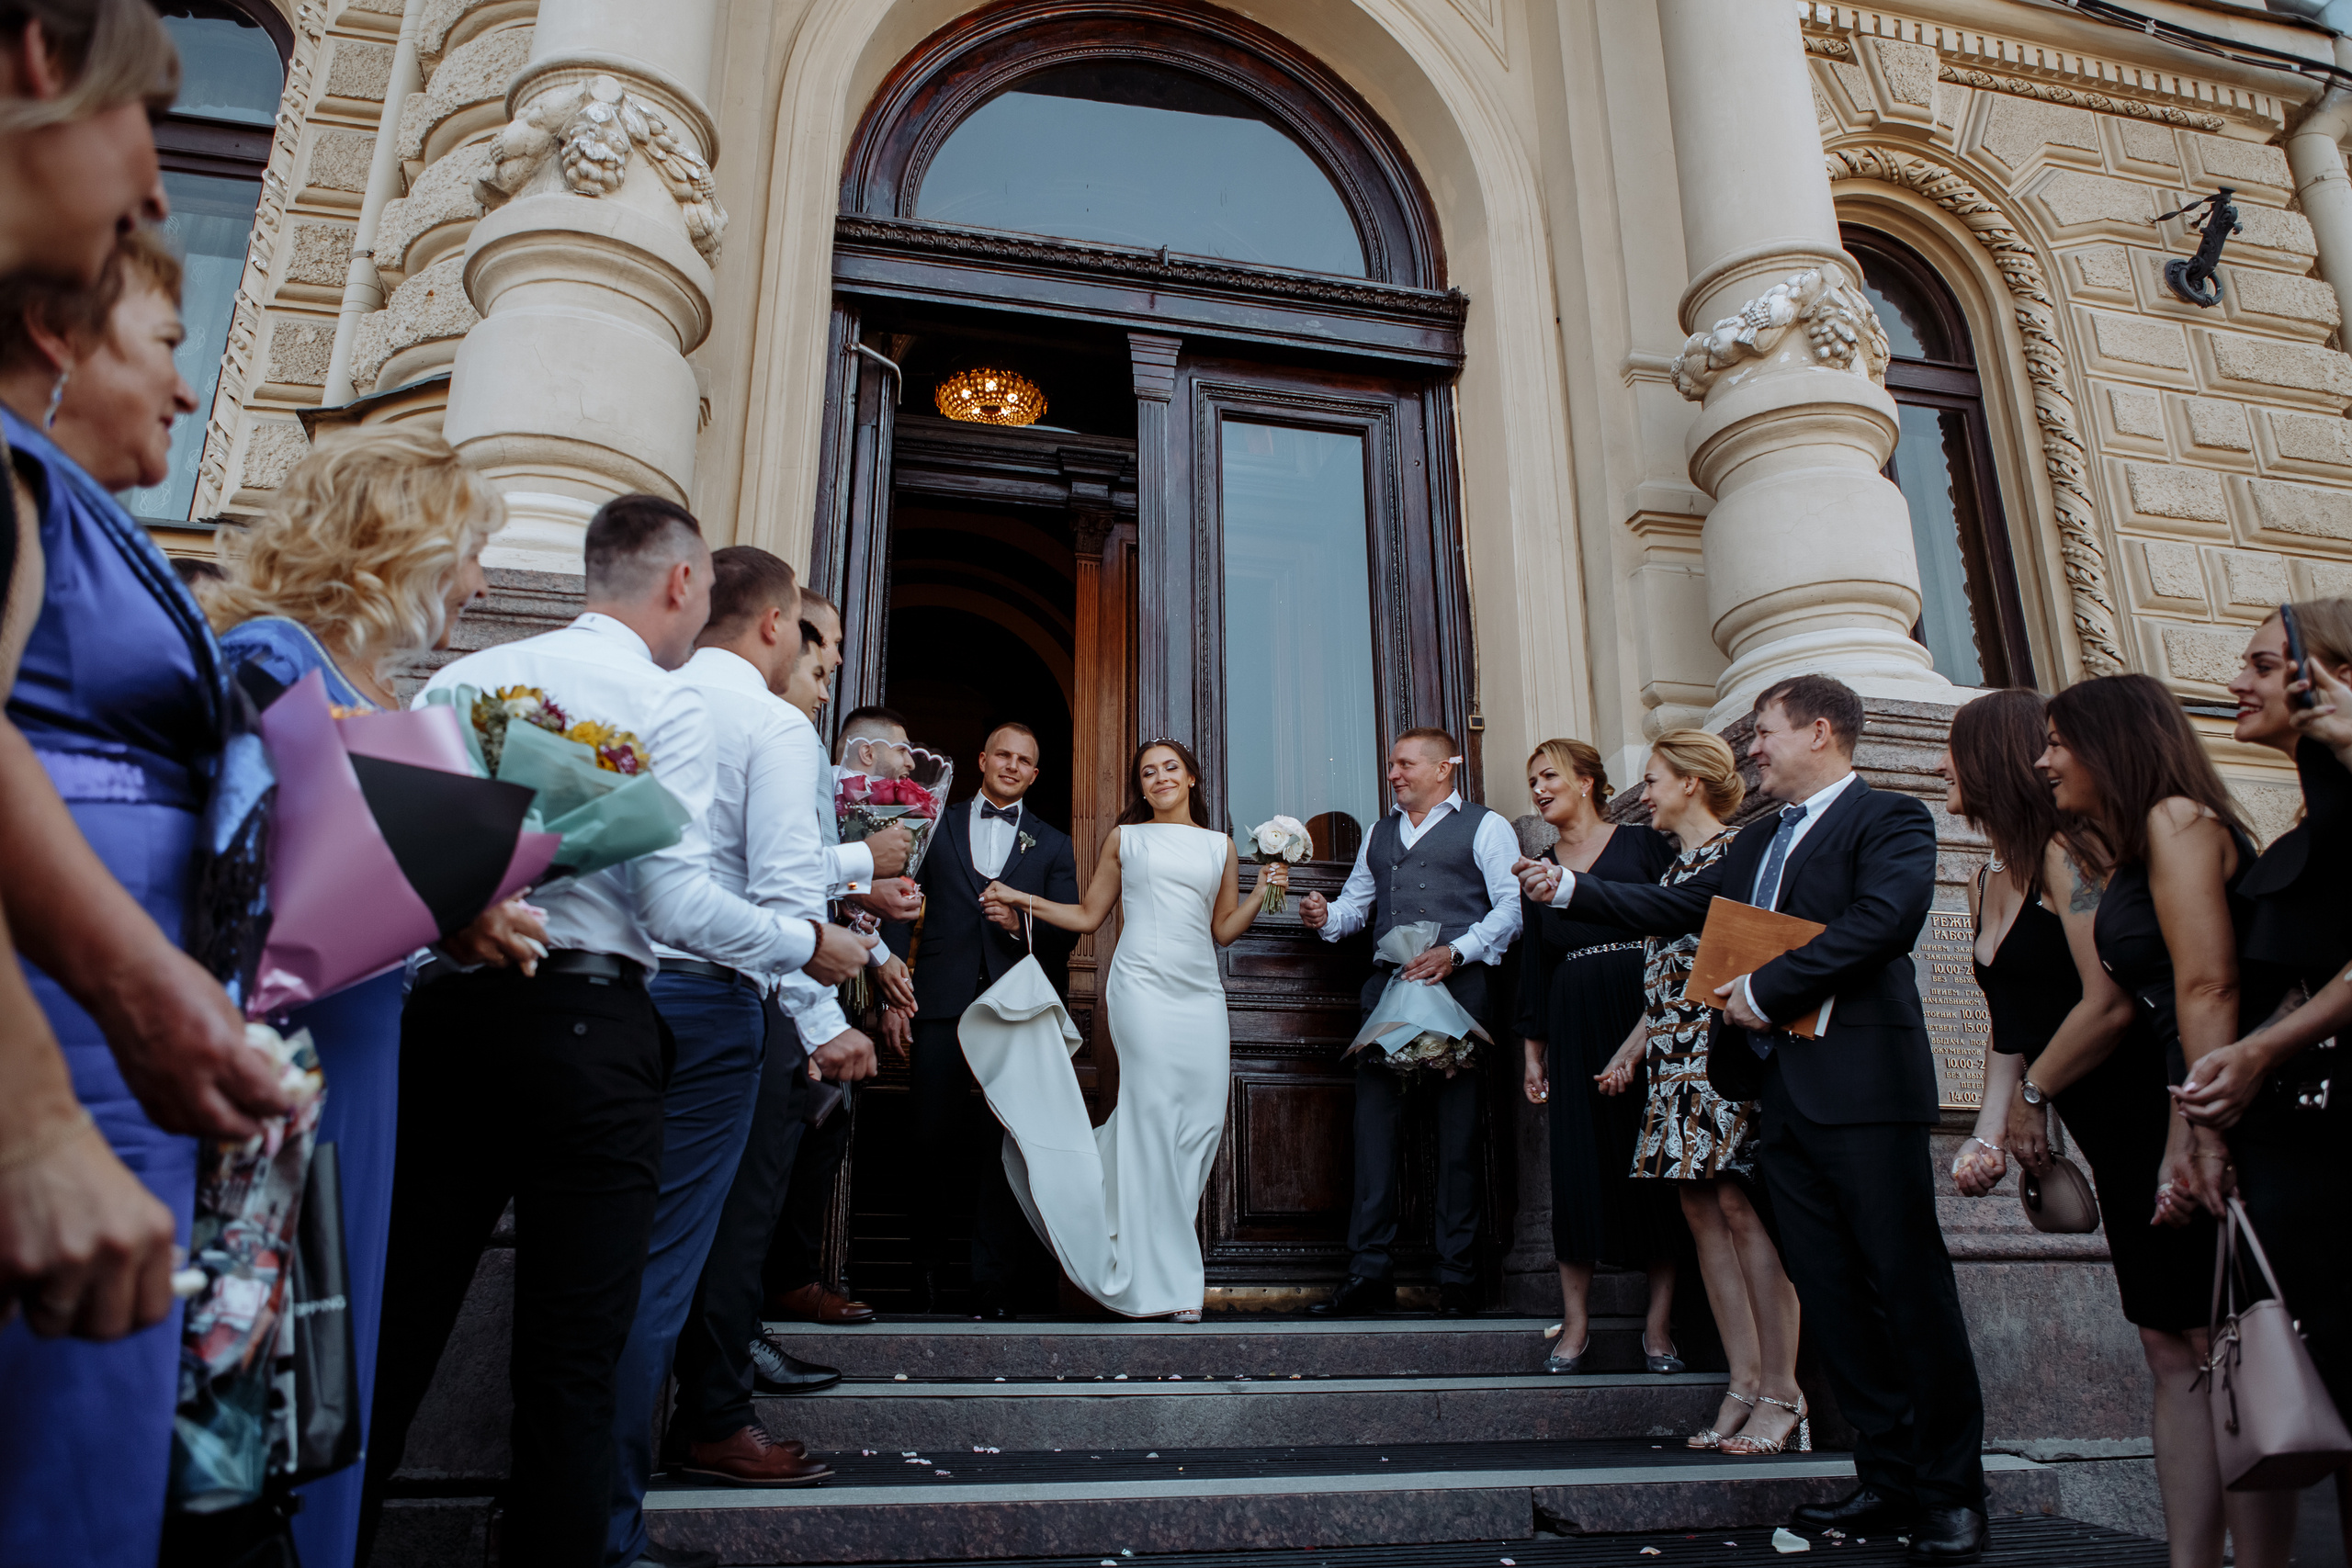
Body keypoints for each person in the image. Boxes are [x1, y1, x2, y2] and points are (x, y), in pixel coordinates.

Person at [357, 497, 871, 1568]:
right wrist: (806, 942)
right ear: (682, 584)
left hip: (447, 1016)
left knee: (393, 1323)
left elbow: (406, 882)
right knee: (576, 1344)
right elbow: (673, 907)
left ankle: (331, 1538)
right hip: (592, 1022)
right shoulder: (665, 700)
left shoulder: (463, 679)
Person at [1519, 675, 1985, 1562]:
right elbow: (1680, 909)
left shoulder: (1889, 818)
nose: (1753, 748)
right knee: (1835, 1296)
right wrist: (1569, 891)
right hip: (1777, 1096)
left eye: (1765, 732)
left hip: (1864, 1093)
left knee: (1907, 1290)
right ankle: (1887, 1480)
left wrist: (1766, 990)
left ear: (1820, 731)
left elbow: (1884, 922)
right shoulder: (1763, 837)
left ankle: (1953, 1492)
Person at [0, 226, 307, 1567]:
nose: (190, 389)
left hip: (121, 1024)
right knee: (56, 1437)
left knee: (96, 1428)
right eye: (171, 345)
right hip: (57, 1020)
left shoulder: (79, 508)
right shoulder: (18, 479)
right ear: (59, 337)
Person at [199, 425, 543, 1568]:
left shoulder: (378, 691)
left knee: (323, 1360)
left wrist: (461, 902)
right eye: (471, 552)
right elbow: (230, 875)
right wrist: (442, 898)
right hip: (284, 1059)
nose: (480, 582)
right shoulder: (271, 656)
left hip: (363, 1046)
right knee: (258, 1370)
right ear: (402, 542)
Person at [1945, 690, 2231, 1565]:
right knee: (2164, 1341)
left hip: (2151, 1107)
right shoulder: (1984, 877)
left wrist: (2034, 1095)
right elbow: (2009, 1022)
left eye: (1955, 751)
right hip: (2099, 1126)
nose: (1943, 767)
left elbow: (2111, 1004)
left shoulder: (2073, 858)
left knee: (2209, 1337)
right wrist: (1988, 1130)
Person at [2035, 673, 2296, 1568]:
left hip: (2227, 1117)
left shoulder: (2178, 820)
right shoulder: (2133, 845)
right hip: (2187, 1108)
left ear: (2110, 744)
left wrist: (2195, 1137)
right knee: (2183, 1347)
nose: (2044, 761)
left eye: (2058, 741)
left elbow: (2206, 986)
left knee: (2233, 1349)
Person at [658, 569, 885, 1501]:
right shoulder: (772, 726)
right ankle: (712, 1413)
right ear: (775, 626)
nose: (824, 677)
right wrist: (822, 1021)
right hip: (730, 996)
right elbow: (778, 893)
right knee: (728, 1217)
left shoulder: (655, 699)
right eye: (817, 654)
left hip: (632, 992)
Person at [977, 739, 1283, 1318]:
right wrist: (1021, 898)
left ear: (1191, 778)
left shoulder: (1219, 846)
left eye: (1170, 768)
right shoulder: (1126, 839)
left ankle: (1121, 1231)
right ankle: (1174, 1282)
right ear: (1141, 787)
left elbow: (1222, 930)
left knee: (1200, 1123)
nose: (1159, 777)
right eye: (1148, 772)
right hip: (1141, 988)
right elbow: (1088, 916)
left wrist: (1263, 892)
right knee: (1152, 1118)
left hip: (1200, 995)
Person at [2175, 604, 2352, 1562]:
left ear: (2328, 675)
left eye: (2261, 664)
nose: (2235, 682)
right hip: (2290, 1149)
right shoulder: (2308, 812)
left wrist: (2259, 1052)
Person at [1592, 730, 1804, 1455]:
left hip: (1723, 1054)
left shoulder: (1736, 854)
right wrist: (1630, 1051)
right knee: (1700, 1210)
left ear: (1691, 782)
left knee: (1744, 1209)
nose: (1643, 794)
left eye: (1652, 780)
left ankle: (1783, 1385)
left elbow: (1744, 967)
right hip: (1672, 1061)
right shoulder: (1675, 868)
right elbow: (1667, 985)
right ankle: (1742, 1380)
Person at [1303, 728, 1523, 1316]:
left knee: (1457, 1135)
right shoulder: (1379, 833)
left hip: (1460, 988)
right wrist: (1326, 915)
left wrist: (1458, 951)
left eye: (1405, 764)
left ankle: (1457, 1278)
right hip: (1389, 992)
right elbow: (1355, 908)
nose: (1393, 774)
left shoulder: (1486, 826)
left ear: (1444, 767)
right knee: (1374, 1132)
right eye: (1392, 765)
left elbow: (1512, 906)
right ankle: (1368, 1272)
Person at [894, 716, 1080, 1316]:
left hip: (1015, 1011)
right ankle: (926, 1274)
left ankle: (991, 1284)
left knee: (1004, 1145)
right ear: (982, 759)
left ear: (1035, 773)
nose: (1012, 766)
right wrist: (889, 991)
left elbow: (1069, 932)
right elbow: (898, 903)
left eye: (1024, 760)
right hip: (939, 1004)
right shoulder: (938, 824)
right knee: (927, 1138)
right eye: (1003, 755)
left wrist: (1022, 925)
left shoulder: (1053, 844)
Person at [1511, 739, 1679, 1371]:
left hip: (1645, 1012)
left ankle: (1658, 1327)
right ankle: (1576, 1325)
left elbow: (1679, 933)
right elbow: (1535, 964)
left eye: (1548, 776)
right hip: (1574, 1020)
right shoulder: (1540, 867)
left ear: (1586, 781)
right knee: (1577, 1166)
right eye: (1532, 780)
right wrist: (1534, 1053)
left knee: (1655, 1164)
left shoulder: (1644, 846)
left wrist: (1652, 1025)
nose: (1538, 788)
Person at [760, 696, 915, 1329]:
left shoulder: (877, 808)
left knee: (825, 1127)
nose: (912, 763)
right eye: (903, 750)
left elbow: (850, 893)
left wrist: (879, 954)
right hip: (787, 977)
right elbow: (791, 875)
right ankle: (776, 1286)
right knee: (791, 1134)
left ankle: (787, 1280)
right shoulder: (800, 774)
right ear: (868, 752)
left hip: (836, 981)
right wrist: (867, 891)